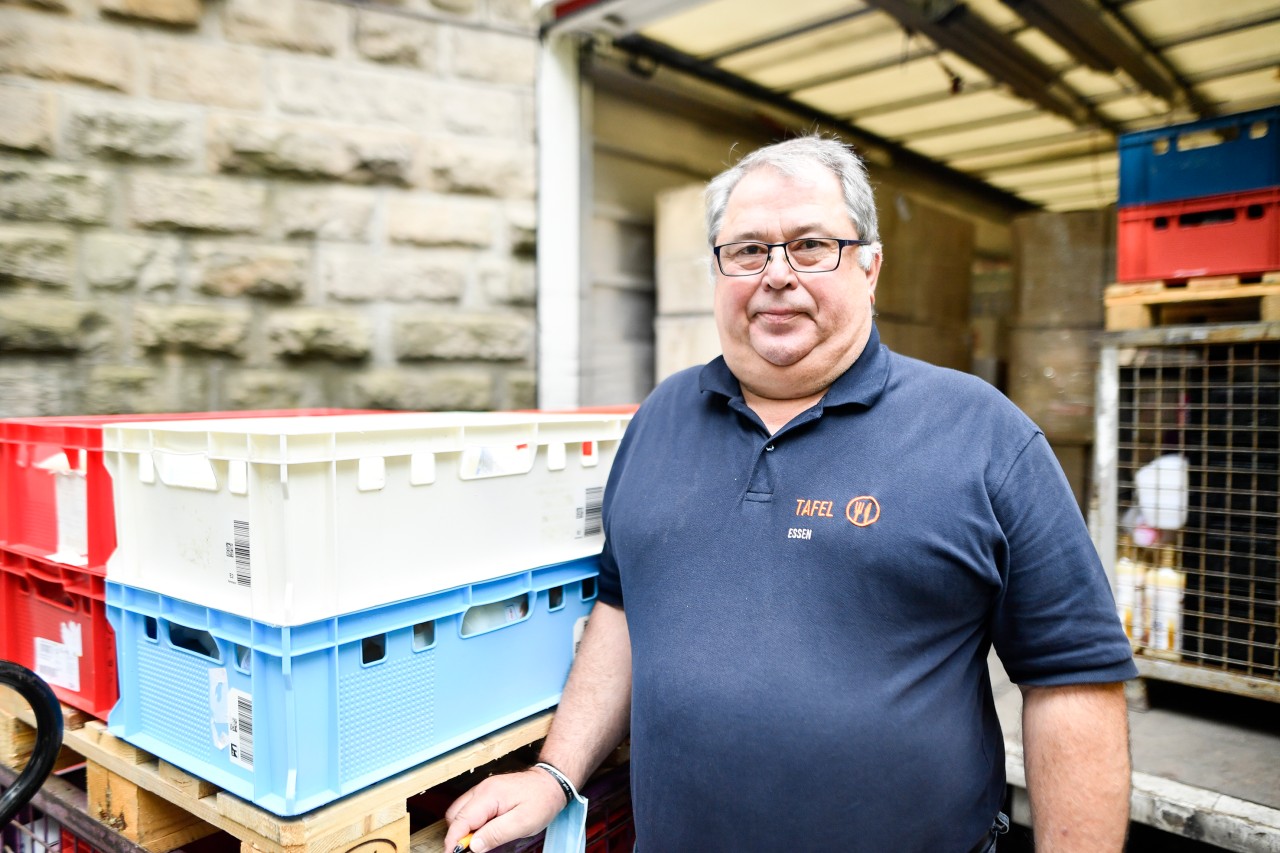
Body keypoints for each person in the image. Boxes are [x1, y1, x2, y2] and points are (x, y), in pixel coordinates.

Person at [444, 135, 1137, 852]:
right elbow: (622, 613)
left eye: (810, 245)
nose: (776, 274)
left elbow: (1072, 680)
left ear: (870, 267)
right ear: (717, 271)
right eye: (747, 250)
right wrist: (556, 771)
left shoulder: (984, 435)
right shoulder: (659, 421)